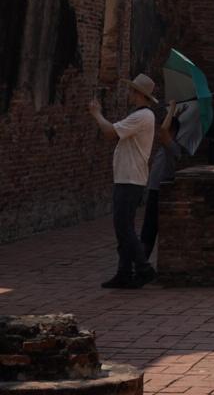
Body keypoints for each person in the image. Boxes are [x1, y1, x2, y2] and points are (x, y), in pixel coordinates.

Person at [88, 73, 158, 289]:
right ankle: (124, 271)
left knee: (123, 226)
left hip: (130, 178)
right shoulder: (141, 115)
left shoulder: (142, 116)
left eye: (131, 91)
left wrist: (97, 114)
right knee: (123, 227)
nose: (129, 94)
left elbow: (111, 132)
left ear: (138, 94)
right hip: (128, 176)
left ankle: (144, 268)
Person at [140, 98, 205, 263]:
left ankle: (141, 265)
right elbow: (166, 129)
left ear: (172, 132)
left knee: (149, 229)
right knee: (148, 229)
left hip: (159, 191)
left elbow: (163, 130)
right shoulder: (167, 147)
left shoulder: (173, 148)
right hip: (154, 189)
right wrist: (175, 114)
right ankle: (141, 262)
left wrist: (172, 109)